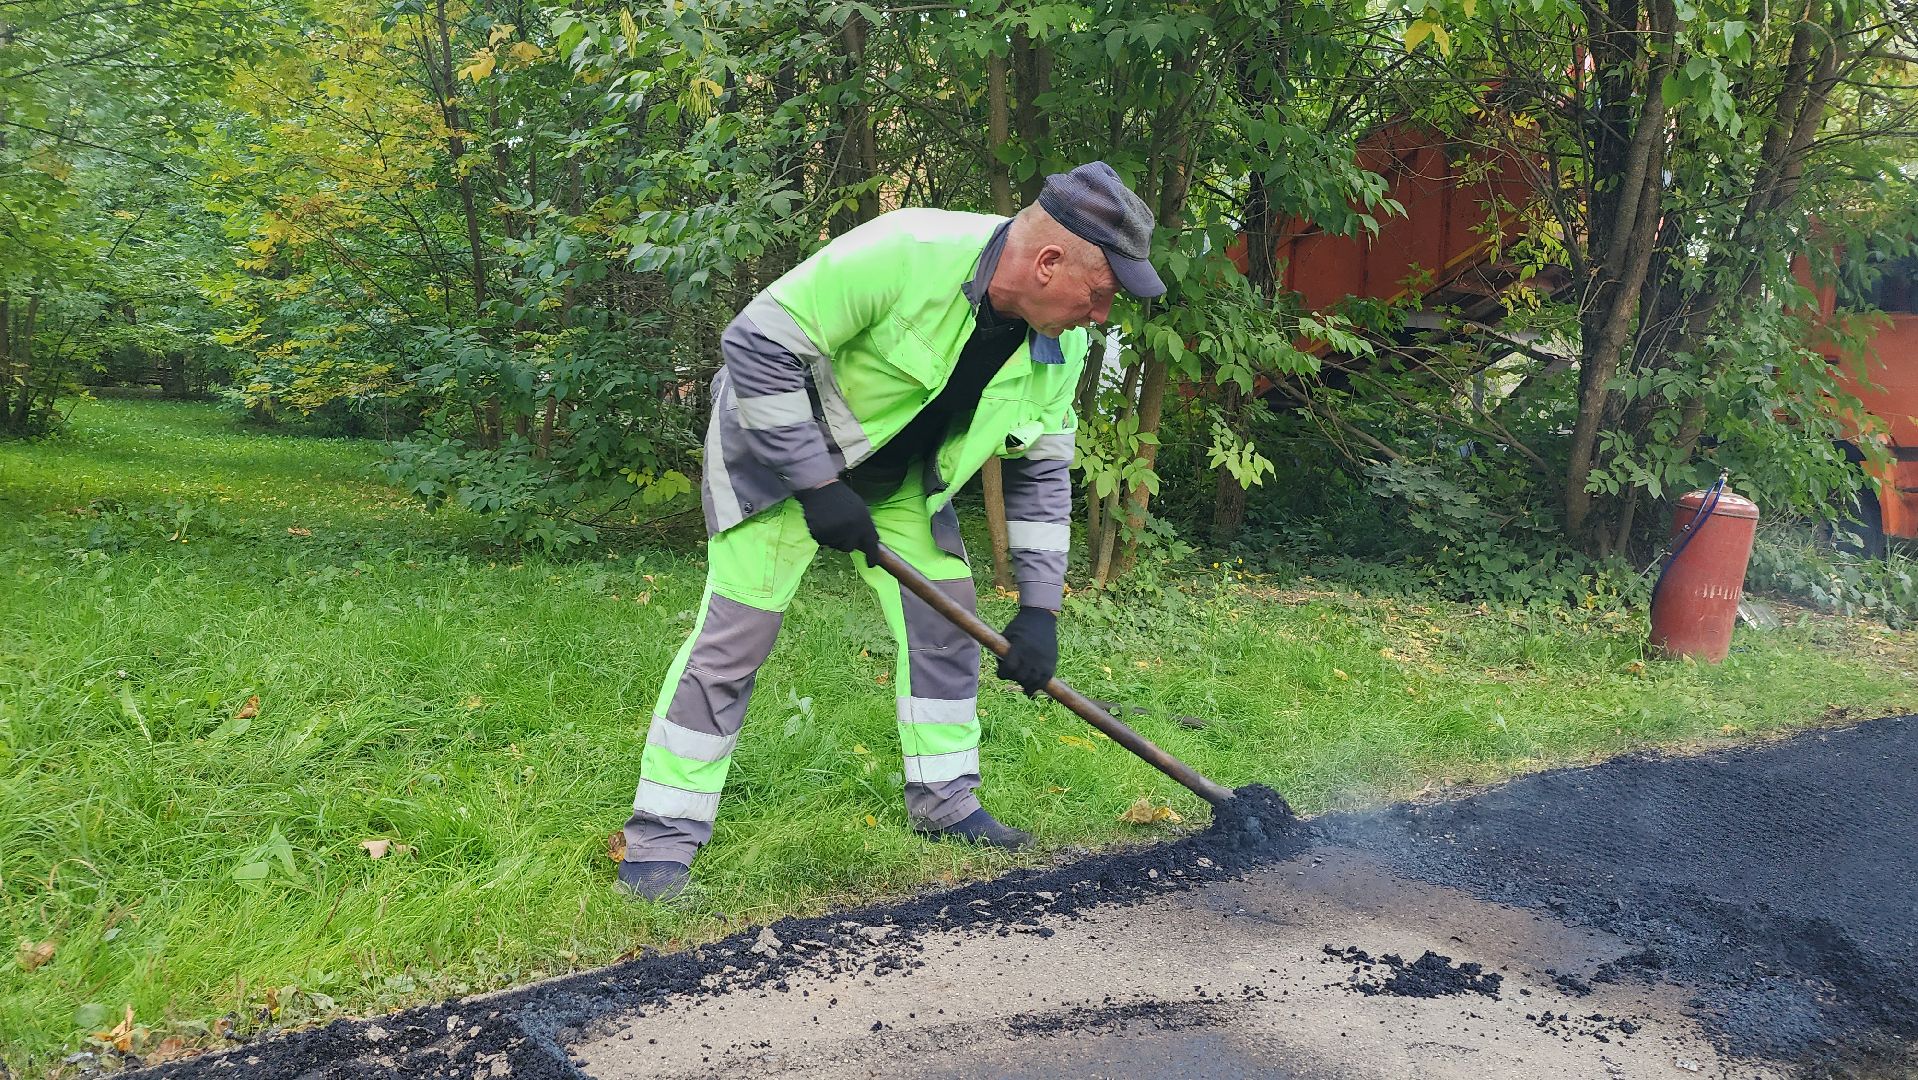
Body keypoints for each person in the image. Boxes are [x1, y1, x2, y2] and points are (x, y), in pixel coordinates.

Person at [616, 162, 1166, 900]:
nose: (1101, 317)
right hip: (779, 467)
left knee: (948, 624)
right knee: (735, 639)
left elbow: (1040, 470)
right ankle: (661, 840)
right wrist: (816, 484)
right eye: (1101, 296)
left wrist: (1040, 609)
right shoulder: (905, 250)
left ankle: (946, 803)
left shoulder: (1057, 348)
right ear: (1047, 262)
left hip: (903, 485)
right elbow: (755, 344)